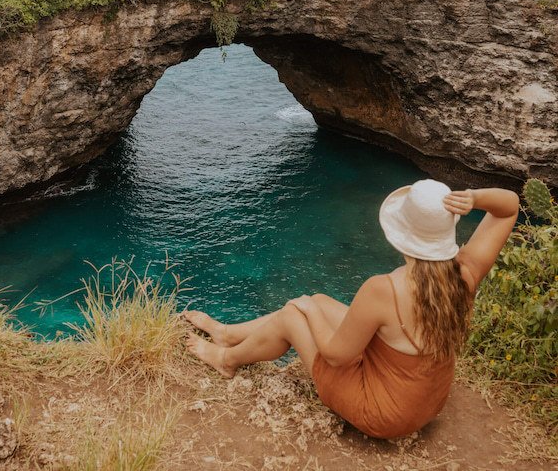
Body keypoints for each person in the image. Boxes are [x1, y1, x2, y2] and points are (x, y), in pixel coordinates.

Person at [184, 179, 519, 439]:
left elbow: (335, 356)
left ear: (399, 233)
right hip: (426, 403)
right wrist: (474, 197)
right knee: (318, 301)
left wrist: (307, 311)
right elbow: (510, 207)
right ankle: (227, 334)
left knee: (296, 312)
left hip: (384, 414)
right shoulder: (466, 271)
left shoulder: (383, 289)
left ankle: (226, 360)